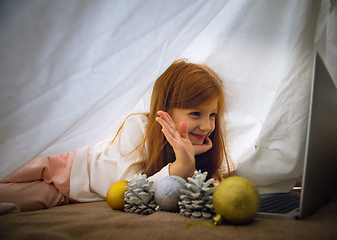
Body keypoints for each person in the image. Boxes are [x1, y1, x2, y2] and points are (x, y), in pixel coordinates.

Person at [0, 59, 233, 212]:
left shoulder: (195, 154)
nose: (207, 126)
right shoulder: (138, 126)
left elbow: (137, 199)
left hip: (73, 195)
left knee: (9, 201)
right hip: (64, 165)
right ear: (166, 109)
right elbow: (129, 189)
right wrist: (180, 166)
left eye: (212, 115)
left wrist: (187, 165)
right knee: (8, 165)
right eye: (196, 113)